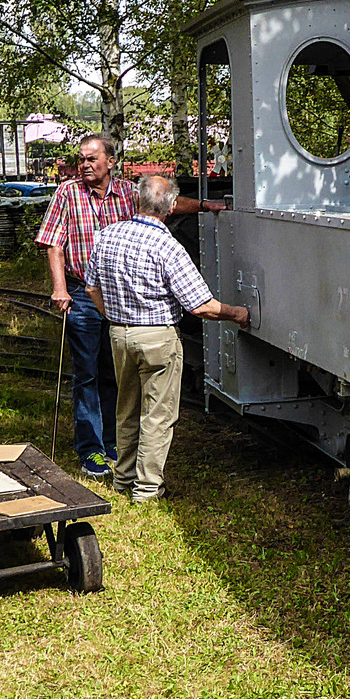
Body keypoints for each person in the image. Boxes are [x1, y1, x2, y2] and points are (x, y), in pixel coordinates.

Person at [35, 134, 224, 477]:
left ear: (110, 161)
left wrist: (205, 206)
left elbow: (167, 204)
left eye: (92, 159)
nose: (85, 165)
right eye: (82, 159)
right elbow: (53, 243)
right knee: (87, 373)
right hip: (82, 292)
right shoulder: (67, 193)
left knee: (115, 372)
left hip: (118, 294)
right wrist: (60, 288)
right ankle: (91, 449)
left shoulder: (126, 192)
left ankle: (112, 442)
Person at [83, 176, 248, 503]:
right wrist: (238, 314)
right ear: (172, 207)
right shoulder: (168, 246)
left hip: (118, 334)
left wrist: (112, 316)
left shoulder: (107, 236)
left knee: (125, 409)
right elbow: (201, 306)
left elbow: (90, 287)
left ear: (138, 201)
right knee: (157, 416)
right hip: (157, 338)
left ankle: (123, 480)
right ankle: (147, 490)